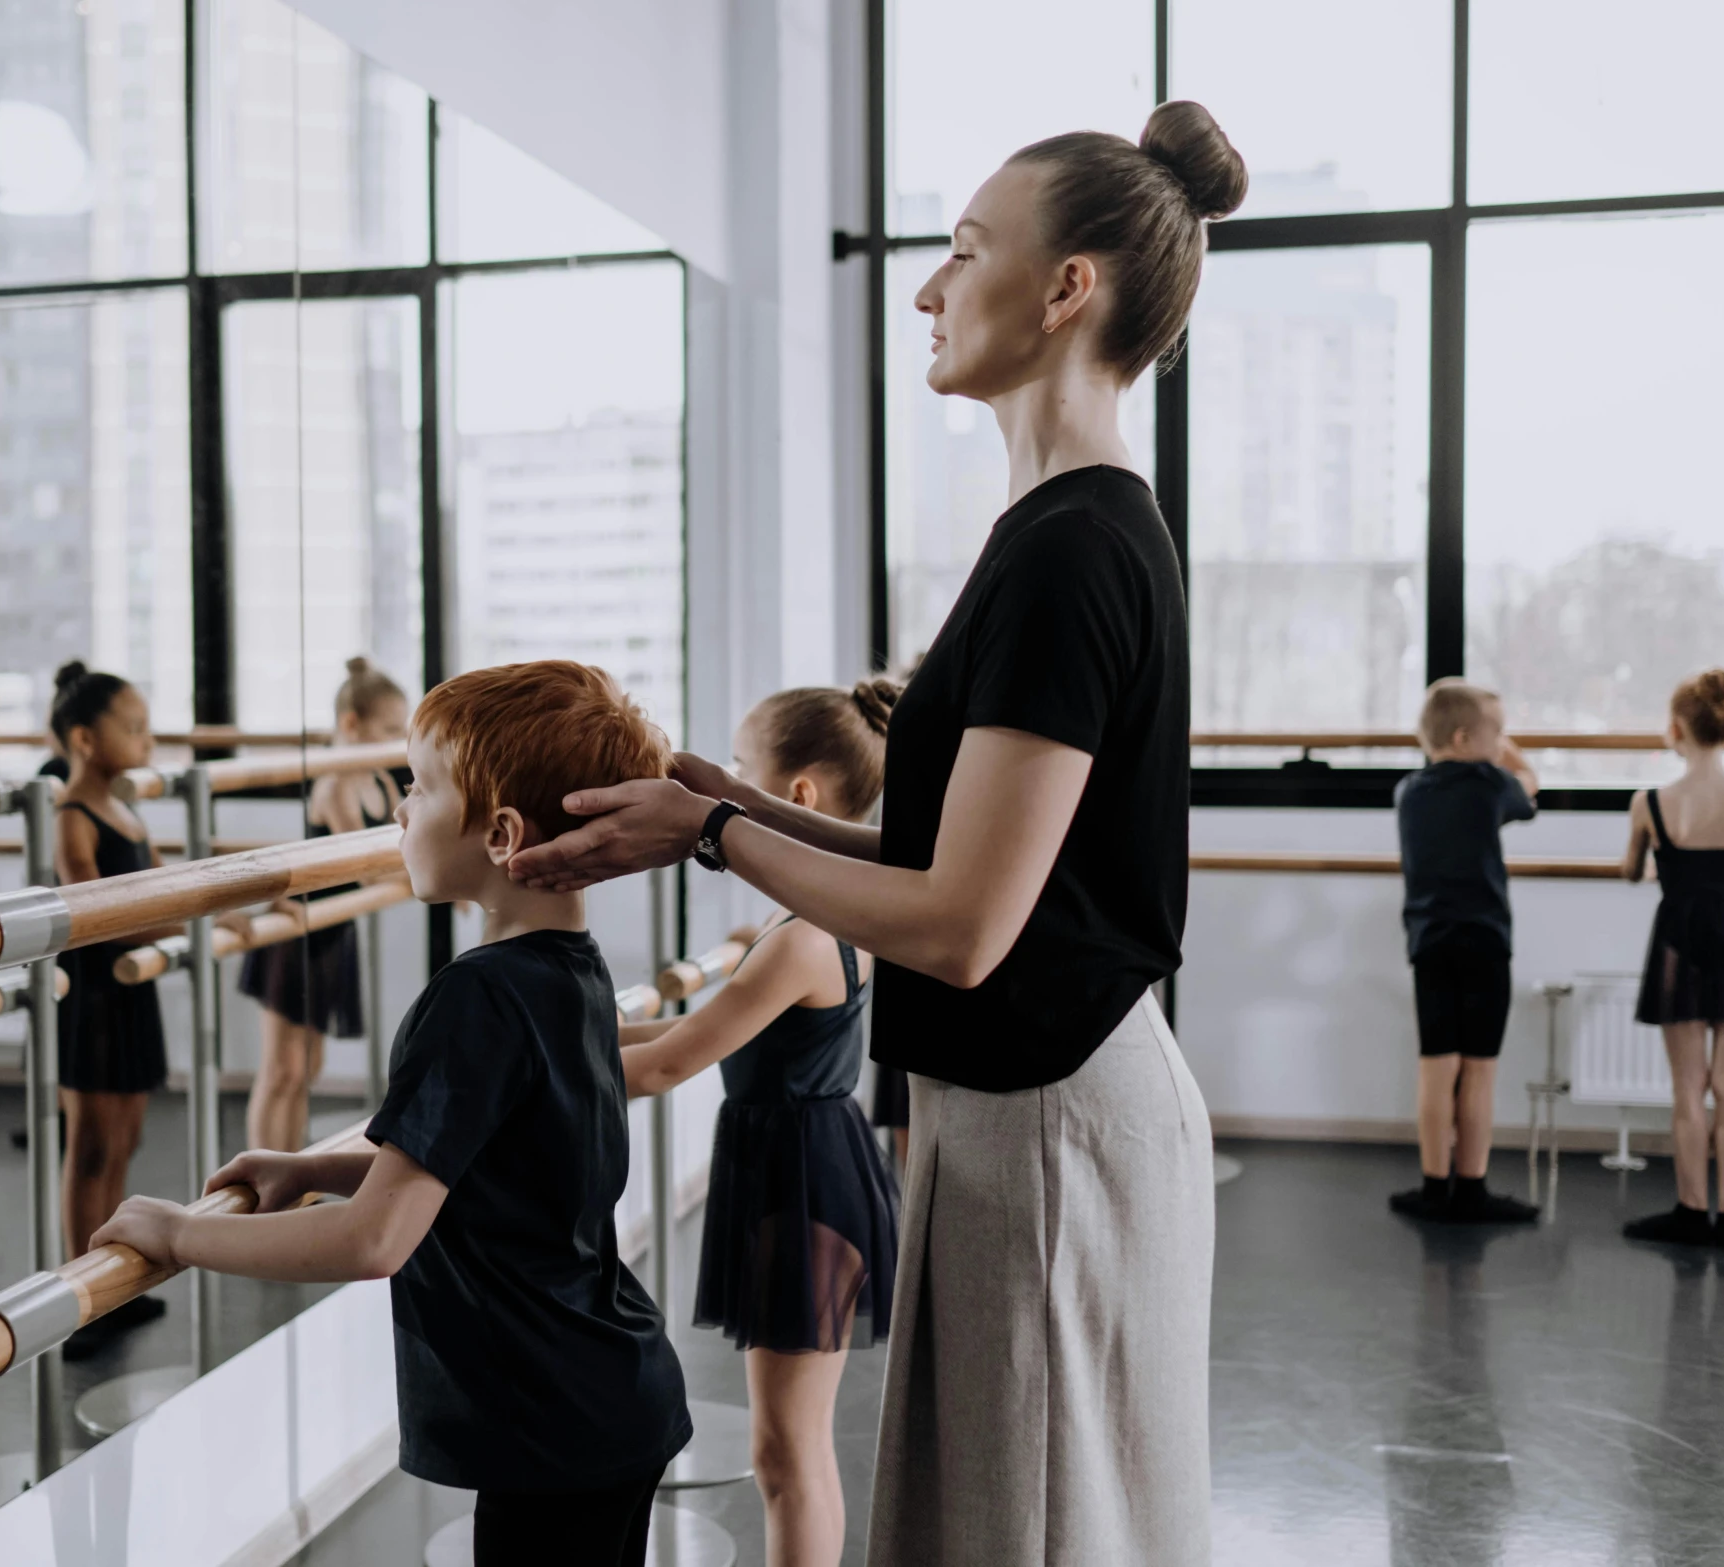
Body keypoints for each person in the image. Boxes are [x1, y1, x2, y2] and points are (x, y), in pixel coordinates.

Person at [506, 102, 1248, 1565]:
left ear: (1064, 288)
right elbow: (936, 854)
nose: (925, 286)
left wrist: (718, 832)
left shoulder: (1072, 547)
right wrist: (721, 804)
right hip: (1025, 1116)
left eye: (962, 250)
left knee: (1027, 1528)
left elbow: (964, 925)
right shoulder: (1059, 527)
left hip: (1052, 1122)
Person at [95, 661, 691, 1567]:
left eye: (418, 787)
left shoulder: (474, 999)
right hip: (608, 1395)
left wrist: (179, 1237)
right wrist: (313, 1168)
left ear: (500, 833)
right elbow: (491, 1155)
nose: (400, 811)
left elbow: (373, 1242)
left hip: (552, 1426)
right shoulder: (574, 970)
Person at [618, 680, 902, 1567]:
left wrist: (522, 1072)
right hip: (806, 1169)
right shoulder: (816, 913)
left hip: (805, 1184)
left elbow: (672, 1062)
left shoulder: (800, 939)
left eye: (741, 768)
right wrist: (558, 1026)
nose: (729, 781)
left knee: (786, 1451)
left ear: (800, 795)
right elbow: (680, 1033)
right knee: (788, 1446)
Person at [1620, 669, 1724, 1249]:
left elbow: (1631, 872)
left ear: (1674, 730)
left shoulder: (1650, 802)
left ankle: (1692, 1211)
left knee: (1688, 1087)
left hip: (1678, 938)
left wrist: (1665, 866)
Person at [47, 662, 178, 1357]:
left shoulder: (129, 809)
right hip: (95, 994)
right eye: (133, 728)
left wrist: (211, 898)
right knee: (91, 1143)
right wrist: (185, 919)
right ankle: (81, 1292)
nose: (146, 739)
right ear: (85, 738)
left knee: (125, 1138)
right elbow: (101, 913)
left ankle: (113, 1276)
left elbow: (161, 886)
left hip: (132, 989)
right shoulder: (73, 815)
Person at [1387, 679, 1542, 1224]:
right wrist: (1509, 753)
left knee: (1435, 1068)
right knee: (1479, 1069)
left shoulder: (1409, 790)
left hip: (1429, 943)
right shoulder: (1489, 782)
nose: (1501, 741)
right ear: (1464, 737)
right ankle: (1471, 1187)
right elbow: (1529, 789)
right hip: (1484, 941)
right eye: (1496, 732)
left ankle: (1434, 1187)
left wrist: (1491, 740)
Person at [238, 656, 408, 1152]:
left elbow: (400, 850)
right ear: (351, 725)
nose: (399, 740)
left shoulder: (379, 782)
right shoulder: (334, 784)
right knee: (282, 1067)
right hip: (295, 929)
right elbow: (370, 862)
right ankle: (262, 1179)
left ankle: (288, 1174)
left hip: (334, 931)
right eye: (390, 728)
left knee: (309, 1067)